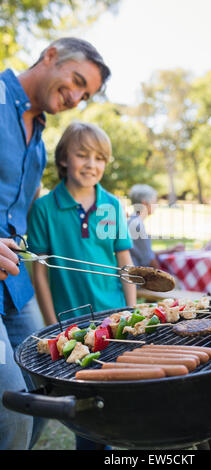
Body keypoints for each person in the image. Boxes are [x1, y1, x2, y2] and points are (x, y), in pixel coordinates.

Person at [0, 37, 111, 450]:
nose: (76, 98)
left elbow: (21, 205)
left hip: (15, 284)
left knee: (47, 386)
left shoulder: (40, 135)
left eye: (86, 95)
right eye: (77, 81)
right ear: (50, 57)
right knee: (11, 399)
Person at [27, 121, 136, 324]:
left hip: (114, 316)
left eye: (100, 158)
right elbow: (40, 274)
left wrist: (131, 311)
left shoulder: (112, 205)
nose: (91, 165)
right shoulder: (43, 209)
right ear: (63, 159)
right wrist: (52, 324)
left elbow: (124, 261)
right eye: (82, 155)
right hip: (68, 321)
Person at [128, 184, 184, 269]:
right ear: (144, 203)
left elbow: (147, 253)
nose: (156, 205)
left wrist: (170, 250)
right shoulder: (137, 225)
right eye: (154, 202)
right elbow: (149, 260)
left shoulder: (133, 221)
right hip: (138, 277)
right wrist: (164, 278)